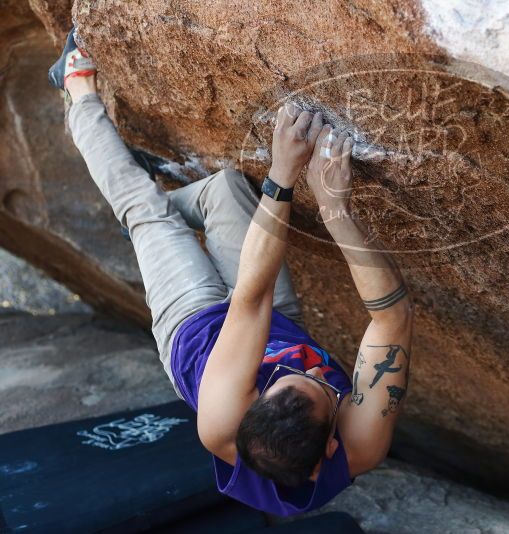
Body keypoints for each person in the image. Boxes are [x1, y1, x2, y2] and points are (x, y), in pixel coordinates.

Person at [49, 28, 414, 515]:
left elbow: (251, 297)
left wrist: (283, 177)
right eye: (313, 382)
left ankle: (75, 86)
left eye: (288, 378)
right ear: (333, 445)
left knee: (144, 207)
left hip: (193, 327)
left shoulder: (222, 420)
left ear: (252, 407)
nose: (302, 371)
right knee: (224, 191)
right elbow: (392, 320)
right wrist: (335, 211)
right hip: (276, 322)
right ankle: (161, 227)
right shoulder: (360, 443)